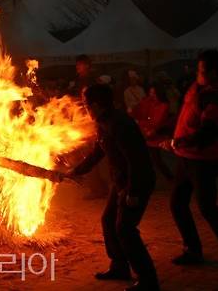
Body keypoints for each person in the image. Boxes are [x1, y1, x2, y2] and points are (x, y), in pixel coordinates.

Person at [64, 84, 158, 291]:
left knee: (125, 229)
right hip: (121, 182)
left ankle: (148, 280)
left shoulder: (120, 124)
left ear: (96, 105)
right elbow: (99, 151)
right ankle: (119, 266)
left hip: (136, 181)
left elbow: (137, 160)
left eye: (86, 104)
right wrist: (77, 170)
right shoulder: (103, 122)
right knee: (108, 221)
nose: (85, 109)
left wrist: (132, 192)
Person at [169, 50, 218, 282]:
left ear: (214, 73)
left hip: (203, 160)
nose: (198, 74)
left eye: (202, 71)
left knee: (208, 208)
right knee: (177, 204)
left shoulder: (214, 96)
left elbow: (210, 131)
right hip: (186, 157)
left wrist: (183, 140)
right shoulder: (198, 89)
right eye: (198, 69)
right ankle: (192, 250)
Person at [70, 54, 109, 199]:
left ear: (87, 65)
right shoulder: (80, 80)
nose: (77, 67)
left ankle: (98, 188)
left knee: (90, 153)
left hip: (89, 122)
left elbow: (91, 102)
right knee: (90, 154)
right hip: (82, 120)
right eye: (77, 64)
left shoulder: (91, 81)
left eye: (80, 64)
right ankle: (99, 186)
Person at [132, 83, 174, 180]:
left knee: (157, 160)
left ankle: (170, 178)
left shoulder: (163, 106)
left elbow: (157, 123)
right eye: (150, 93)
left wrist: (140, 122)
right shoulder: (148, 102)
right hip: (146, 135)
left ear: (159, 93)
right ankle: (149, 178)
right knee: (146, 159)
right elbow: (139, 111)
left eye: (154, 93)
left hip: (156, 136)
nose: (152, 95)